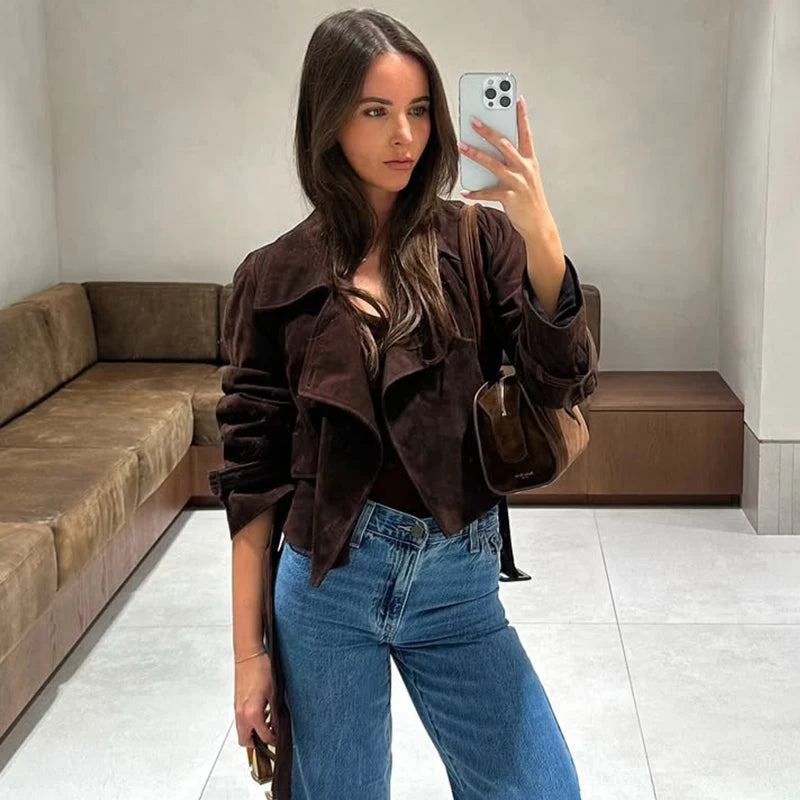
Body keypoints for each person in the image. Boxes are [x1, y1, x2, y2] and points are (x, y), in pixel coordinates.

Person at [210, 8, 597, 799]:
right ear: (328, 121)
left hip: (459, 578)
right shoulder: (272, 277)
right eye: (375, 111)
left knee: (539, 787)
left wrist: (541, 232)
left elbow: (562, 383)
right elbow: (251, 482)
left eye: (420, 110)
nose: (405, 137)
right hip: (328, 585)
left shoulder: (474, 241)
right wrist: (250, 657)